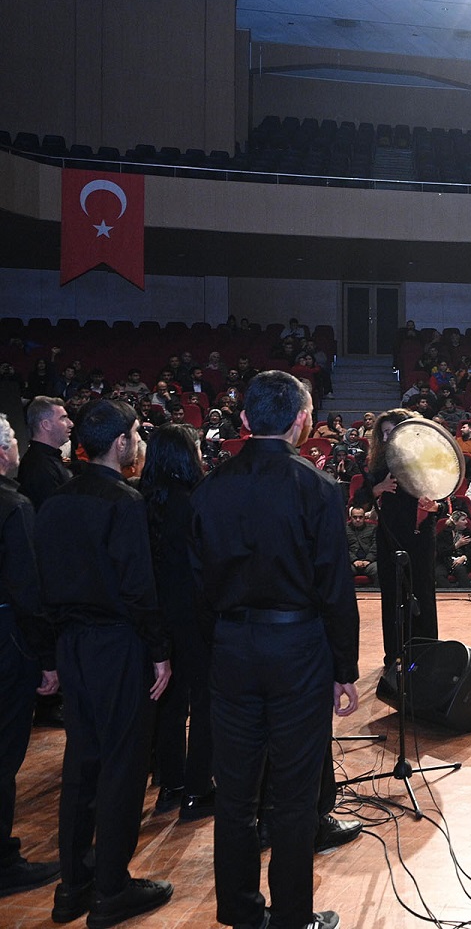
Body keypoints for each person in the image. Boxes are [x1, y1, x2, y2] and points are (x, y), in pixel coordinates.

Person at [190, 370, 360, 929]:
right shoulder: (318, 488)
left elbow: (196, 583)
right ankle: (291, 918)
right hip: (297, 648)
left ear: (243, 420)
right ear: (302, 421)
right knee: (293, 795)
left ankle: (242, 913)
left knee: (235, 795)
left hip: (231, 646)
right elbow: (335, 586)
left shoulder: (210, 487)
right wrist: (345, 667)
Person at [35, 400, 173, 927]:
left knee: (82, 763)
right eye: (136, 433)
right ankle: (111, 889)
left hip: (71, 644)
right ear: (121, 443)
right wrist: (159, 651)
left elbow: (42, 584)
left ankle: (73, 887)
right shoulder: (124, 501)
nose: (138, 441)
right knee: (122, 766)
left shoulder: (55, 501)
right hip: (117, 644)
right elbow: (139, 588)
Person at [140, 425, 216, 822]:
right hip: (193, 614)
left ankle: (170, 783)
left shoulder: (140, 498)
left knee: (169, 700)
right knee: (203, 701)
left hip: (154, 616)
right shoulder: (194, 501)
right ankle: (198, 790)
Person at [0, 412, 62, 898]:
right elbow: (27, 590)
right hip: (8, 640)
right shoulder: (14, 506)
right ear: (3, 451)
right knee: (4, 754)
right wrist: (47, 657)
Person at [354, 409, 439, 677]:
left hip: (421, 536)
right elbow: (359, 499)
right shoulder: (381, 466)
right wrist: (377, 489)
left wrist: (435, 506)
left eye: (391, 431)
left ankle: (426, 652)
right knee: (392, 596)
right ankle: (394, 655)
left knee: (423, 592)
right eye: (383, 433)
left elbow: (442, 497)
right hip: (390, 537)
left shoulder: (426, 462)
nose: (386, 437)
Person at [18, 396, 72, 508]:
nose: (71, 423)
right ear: (46, 425)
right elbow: (54, 512)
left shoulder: (45, 460)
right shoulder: (38, 466)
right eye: (63, 418)